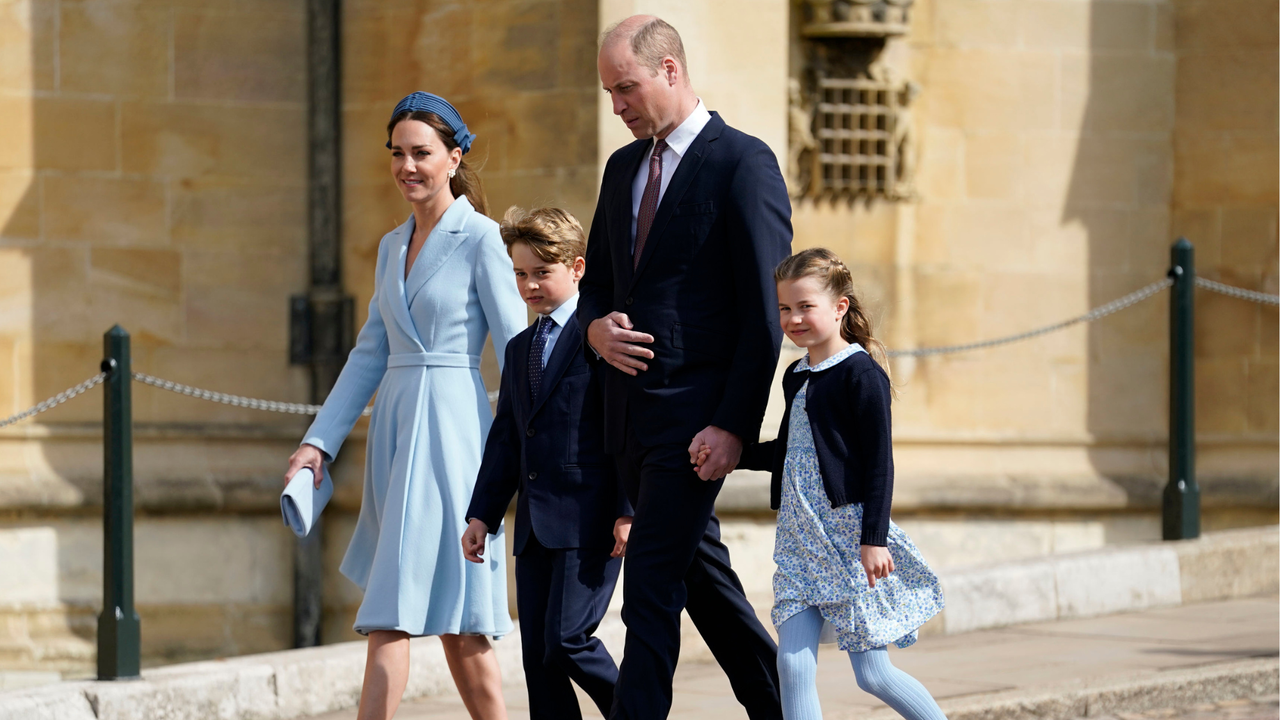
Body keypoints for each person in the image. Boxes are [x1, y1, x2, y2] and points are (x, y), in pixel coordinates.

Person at [283, 92, 526, 720]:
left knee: (441, 619)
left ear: (455, 156)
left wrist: (524, 455)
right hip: (394, 435)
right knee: (437, 618)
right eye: (398, 153)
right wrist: (318, 443)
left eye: (422, 152)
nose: (408, 166)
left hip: (452, 436)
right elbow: (369, 352)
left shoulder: (482, 240)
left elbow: (519, 357)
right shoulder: (392, 246)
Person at [578, 15, 791, 720]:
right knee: (705, 588)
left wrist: (733, 425)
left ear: (670, 69)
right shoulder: (621, 169)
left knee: (649, 596)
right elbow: (598, 289)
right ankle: (789, 710)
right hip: (628, 428)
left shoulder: (743, 162)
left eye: (627, 88)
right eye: (609, 93)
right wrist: (594, 330)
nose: (617, 107)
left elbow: (765, 318)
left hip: (696, 429)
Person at [724, 247, 947, 720]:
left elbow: (879, 465)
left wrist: (874, 539)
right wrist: (732, 455)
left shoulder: (861, 374)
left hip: (848, 540)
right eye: (785, 308)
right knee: (793, 666)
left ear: (840, 307)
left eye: (805, 306)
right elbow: (789, 452)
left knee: (874, 675)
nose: (793, 318)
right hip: (798, 541)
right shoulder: (795, 375)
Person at [462, 206, 634, 720]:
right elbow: (508, 438)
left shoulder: (602, 335)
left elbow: (626, 425)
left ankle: (638, 712)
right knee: (540, 659)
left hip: (593, 520)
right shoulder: (518, 349)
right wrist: (482, 515)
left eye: (542, 272)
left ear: (577, 268)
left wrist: (628, 507)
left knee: (568, 640)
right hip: (535, 527)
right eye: (520, 273)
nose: (529, 285)